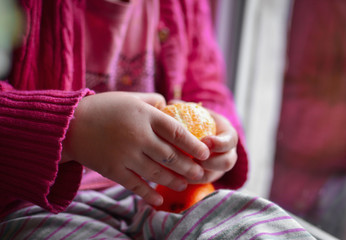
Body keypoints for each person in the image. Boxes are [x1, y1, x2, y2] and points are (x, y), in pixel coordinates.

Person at [0, 1, 316, 239]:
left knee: (258, 228)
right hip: (38, 203)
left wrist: (221, 137)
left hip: (173, 195)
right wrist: (73, 132)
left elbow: (204, 82)